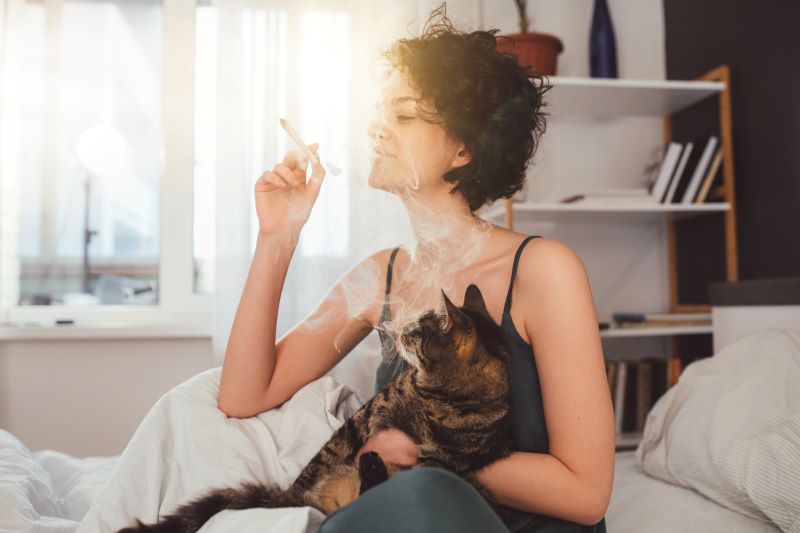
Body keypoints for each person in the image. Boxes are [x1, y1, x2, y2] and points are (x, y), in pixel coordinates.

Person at [217, 5, 614, 533]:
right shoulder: (379, 277)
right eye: (380, 113)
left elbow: (588, 494)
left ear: (463, 149)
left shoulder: (543, 270)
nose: (378, 129)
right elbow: (243, 396)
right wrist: (278, 236)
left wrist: (425, 455)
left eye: (403, 115)